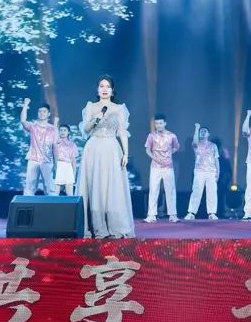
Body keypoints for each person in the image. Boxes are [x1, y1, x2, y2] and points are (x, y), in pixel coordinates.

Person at [77, 75, 134, 238]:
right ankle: (95, 225)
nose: (104, 89)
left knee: (112, 186)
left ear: (112, 90)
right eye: (101, 86)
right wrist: (96, 120)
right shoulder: (91, 106)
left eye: (108, 86)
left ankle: (114, 225)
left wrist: (126, 153)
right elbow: (85, 130)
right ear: (97, 89)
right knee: (94, 185)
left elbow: (122, 132)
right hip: (93, 148)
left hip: (111, 149)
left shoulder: (119, 108)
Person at [144, 113, 180, 223]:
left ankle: (172, 215)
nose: (158, 125)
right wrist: (155, 158)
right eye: (156, 124)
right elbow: (147, 150)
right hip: (155, 166)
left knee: (170, 190)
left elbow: (176, 147)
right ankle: (151, 215)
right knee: (153, 190)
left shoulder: (172, 136)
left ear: (165, 123)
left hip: (168, 167)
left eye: (160, 123)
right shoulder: (151, 135)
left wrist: (169, 154)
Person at [20, 98, 56, 195]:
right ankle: (26, 203)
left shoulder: (53, 129)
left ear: (48, 114)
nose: (42, 113)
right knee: (29, 187)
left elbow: (55, 147)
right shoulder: (33, 126)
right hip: (33, 159)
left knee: (50, 188)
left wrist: (56, 163)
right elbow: (23, 121)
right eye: (40, 111)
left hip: (47, 161)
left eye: (44, 111)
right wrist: (25, 104)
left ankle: (52, 204)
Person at [186, 124, 220, 220]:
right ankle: (191, 213)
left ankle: (212, 213)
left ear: (208, 134)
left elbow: (216, 159)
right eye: (201, 131)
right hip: (199, 171)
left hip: (211, 172)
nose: (203, 132)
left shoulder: (213, 145)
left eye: (205, 131)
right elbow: (194, 142)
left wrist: (218, 172)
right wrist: (197, 128)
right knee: (196, 191)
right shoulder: (197, 144)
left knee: (212, 192)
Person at [52, 120, 79, 196]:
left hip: (68, 167)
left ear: (68, 132)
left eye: (64, 130)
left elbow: (73, 161)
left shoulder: (72, 145)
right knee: (55, 192)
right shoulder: (56, 142)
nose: (62, 132)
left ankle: (71, 204)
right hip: (58, 165)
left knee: (69, 193)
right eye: (61, 130)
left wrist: (74, 174)